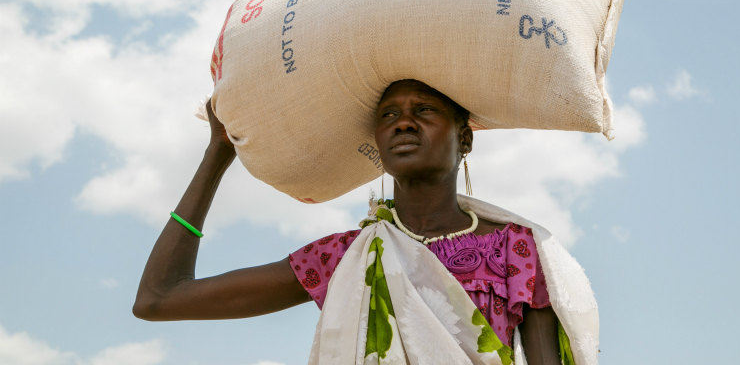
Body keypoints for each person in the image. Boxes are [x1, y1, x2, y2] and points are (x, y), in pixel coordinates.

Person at [133, 80, 566, 365]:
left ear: (464, 137)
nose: (404, 124)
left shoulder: (515, 249)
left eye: (425, 110)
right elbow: (159, 299)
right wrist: (217, 155)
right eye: (389, 116)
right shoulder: (343, 257)